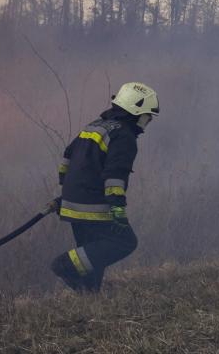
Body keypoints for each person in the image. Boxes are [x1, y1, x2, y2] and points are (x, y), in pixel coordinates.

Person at [50, 82, 159, 292]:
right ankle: (65, 265)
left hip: (74, 204)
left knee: (91, 254)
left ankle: (89, 295)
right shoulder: (124, 137)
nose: (149, 120)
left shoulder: (94, 126)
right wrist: (118, 209)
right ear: (135, 111)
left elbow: (67, 157)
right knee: (124, 241)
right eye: (148, 115)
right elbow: (115, 177)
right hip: (94, 206)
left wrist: (67, 191)